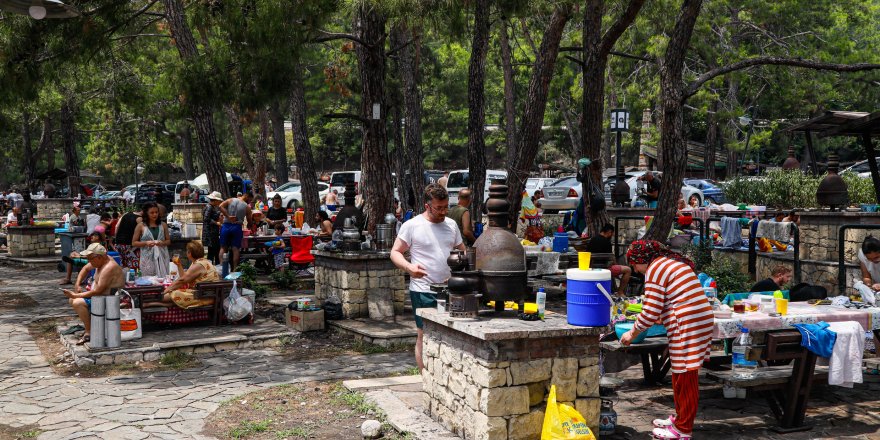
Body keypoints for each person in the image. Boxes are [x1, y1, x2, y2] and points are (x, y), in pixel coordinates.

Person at [620, 240, 712, 440]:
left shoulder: (655, 269)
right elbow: (669, 301)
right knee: (681, 373)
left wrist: (631, 333)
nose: (634, 268)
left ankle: (683, 430)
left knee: (686, 375)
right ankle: (680, 419)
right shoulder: (667, 263)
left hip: (687, 323)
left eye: (634, 263)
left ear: (642, 259)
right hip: (698, 319)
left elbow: (650, 311)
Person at [390, 184, 465, 371]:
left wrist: (458, 273)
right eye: (439, 208)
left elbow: (462, 252)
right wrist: (409, 267)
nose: (443, 211)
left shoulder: (451, 225)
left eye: (446, 207)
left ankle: (446, 373)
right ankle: (425, 376)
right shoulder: (412, 225)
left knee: (453, 332)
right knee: (424, 334)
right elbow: (395, 252)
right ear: (427, 206)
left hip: (451, 288)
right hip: (423, 289)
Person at [62, 243, 125, 345]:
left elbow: (98, 291)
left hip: (110, 300)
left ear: (99, 257)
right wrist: (77, 285)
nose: (89, 261)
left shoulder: (109, 267)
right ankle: (90, 327)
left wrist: (75, 295)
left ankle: (89, 332)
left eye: (90, 259)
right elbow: (85, 269)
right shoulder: (99, 261)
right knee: (72, 300)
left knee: (77, 301)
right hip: (99, 298)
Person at [143, 240, 220, 309]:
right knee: (174, 295)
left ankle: (146, 300)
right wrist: (179, 265)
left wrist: (165, 291)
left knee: (173, 293)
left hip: (203, 297)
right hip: (206, 295)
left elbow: (182, 280)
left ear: (189, 253)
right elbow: (185, 278)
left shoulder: (198, 265)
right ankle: (149, 303)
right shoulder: (202, 262)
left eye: (187, 251)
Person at [587, 224, 631, 297]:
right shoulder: (607, 242)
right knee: (628, 270)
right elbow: (611, 258)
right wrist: (616, 264)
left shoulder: (592, 240)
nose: (611, 235)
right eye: (612, 233)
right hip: (605, 269)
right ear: (609, 232)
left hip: (591, 268)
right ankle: (620, 292)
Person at [132, 202, 171, 277]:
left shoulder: (163, 225)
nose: (155, 214)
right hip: (147, 258)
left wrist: (162, 243)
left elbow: (168, 241)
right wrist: (146, 243)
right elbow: (134, 243)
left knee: (164, 277)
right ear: (146, 213)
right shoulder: (140, 226)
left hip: (162, 256)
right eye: (152, 213)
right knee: (148, 279)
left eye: (156, 212)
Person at [218, 192, 254, 272]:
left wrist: (228, 216)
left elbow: (220, 206)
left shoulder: (230, 200)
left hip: (226, 225)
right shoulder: (247, 207)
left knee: (223, 247)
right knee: (235, 249)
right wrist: (251, 227)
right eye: (250, 200)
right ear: (247, 196)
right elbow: (249, 221)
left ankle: (222, 268)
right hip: (237, 227)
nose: (250, 202)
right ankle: (234, 269)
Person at [114, 207, 142, 271]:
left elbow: (116, 227)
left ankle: (122, 280)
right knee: (133, 268)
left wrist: (117, 239)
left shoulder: (126, 214)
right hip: (131, 245)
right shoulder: (140, 218)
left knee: (121, 266)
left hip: (119, 243)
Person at [203, 191, 224, 264]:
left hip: (213, 232)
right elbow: (206, 218)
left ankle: (215, 266)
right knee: (212, 251)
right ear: (215, 200)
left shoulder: (212, 207)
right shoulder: (209, 207)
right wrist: (217, 223)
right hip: (210, 233)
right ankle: (211, 267)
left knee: (214, 251)